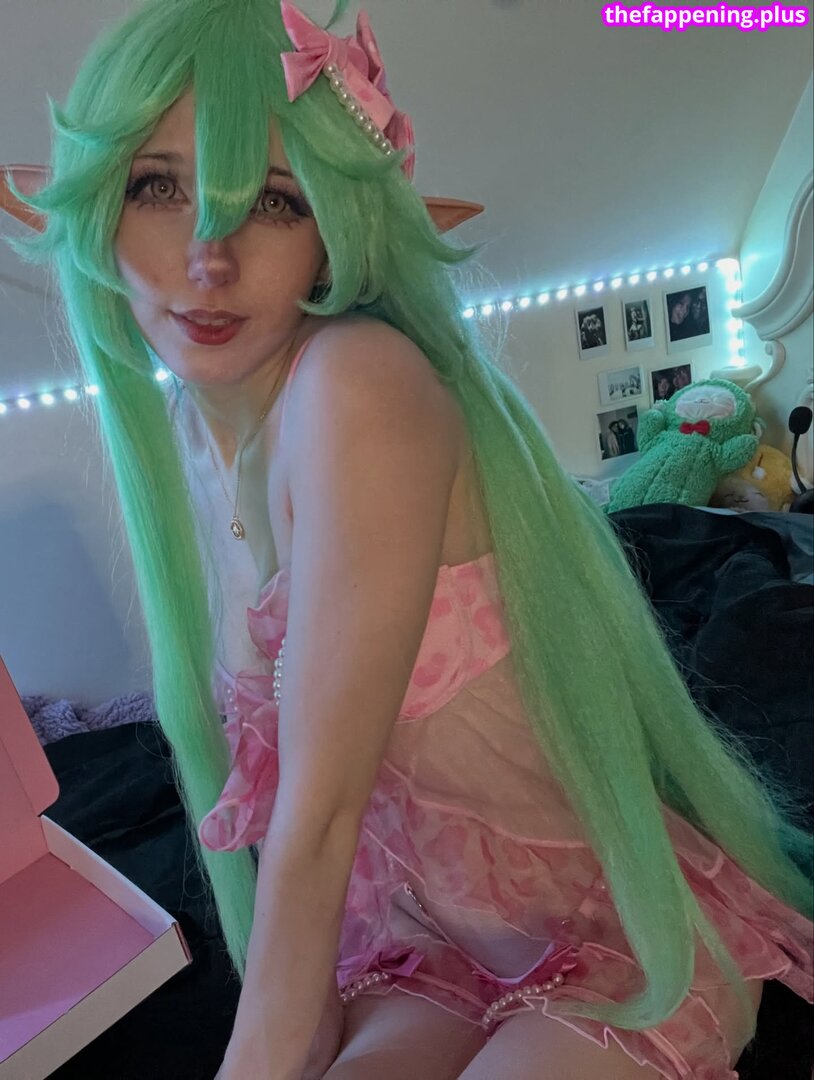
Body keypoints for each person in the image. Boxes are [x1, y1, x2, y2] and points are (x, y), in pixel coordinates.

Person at [3, 2, 812, 1078]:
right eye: (158, 187)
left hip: (609, 933)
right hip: (423, 942)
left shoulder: (359, 388)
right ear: (100, 204)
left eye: (273, 200)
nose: (207, 256)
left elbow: (320, 811)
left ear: (330, 229)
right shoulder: (194, 429)